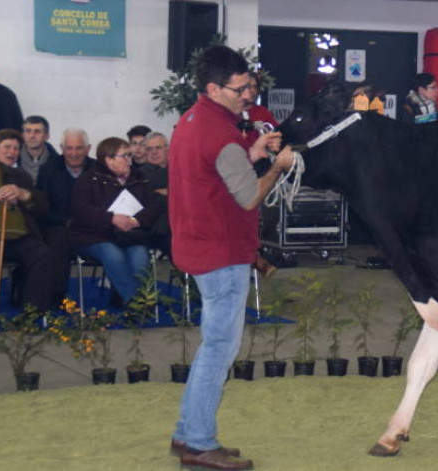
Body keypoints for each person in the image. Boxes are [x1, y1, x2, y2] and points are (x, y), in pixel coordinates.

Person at [168, 45, 294, 471]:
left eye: (248, 86)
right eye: (239, 89)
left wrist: (250, 153)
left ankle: (188, 432)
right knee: (219, 347)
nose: (247, 95)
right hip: (221, 250)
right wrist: (276, 165)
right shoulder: (221, 135)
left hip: (197, 243)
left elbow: (217, 171)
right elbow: (248, 197)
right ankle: (200, 442)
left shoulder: (192, 120)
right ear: (213, 88)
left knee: (212, 344)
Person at [0, 123, 52, 314]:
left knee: (44, 255)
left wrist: (23, 195)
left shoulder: (17, 175)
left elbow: (43, 205)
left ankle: (30, 315)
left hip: (19, 238)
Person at [69, 137, 159, 307]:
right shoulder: (89, 179)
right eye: (123, 156)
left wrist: (136, 221)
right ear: (108, 159)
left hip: (131, 234)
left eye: (129, 156)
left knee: (140, 257)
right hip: (95, 237)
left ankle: (128, 299)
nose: (128, 160)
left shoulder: (140, 178)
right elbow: (81, 210)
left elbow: (154, 206)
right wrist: (111, 218)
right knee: (112, 254)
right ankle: (137, 303)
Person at [37, 127, 96, 304]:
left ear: (88, 149)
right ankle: (56, 296)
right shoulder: (48, 169)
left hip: (93, 227)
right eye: (69, 148)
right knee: (58, 242)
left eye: (79, 148)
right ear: (62, 148)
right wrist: (66, 221)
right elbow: (42, 208)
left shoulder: (98, 170)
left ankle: (121, 298)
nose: (74, 153)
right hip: (59, 226)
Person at [239, 73, 278, 150]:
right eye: (249, 86)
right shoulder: (232, 112)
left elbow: (276, 133)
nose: (252, 90)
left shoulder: (262, 111)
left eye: (255, 86)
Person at [18, 115, 60, 182]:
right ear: (23, 135)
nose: (32, 136)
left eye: (37, 131)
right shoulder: (13, 159)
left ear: (46, 136)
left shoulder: (58, 164)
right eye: (28, 131)